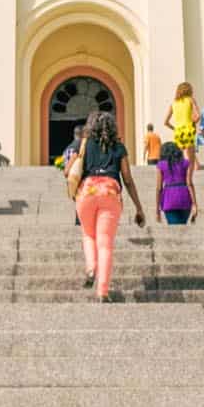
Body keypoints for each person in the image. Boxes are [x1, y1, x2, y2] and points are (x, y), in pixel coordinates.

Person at [72, 109, 145, 299]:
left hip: (87, 192)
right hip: (110, 193)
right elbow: (127, 179)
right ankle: (102, 292)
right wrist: (139, 207)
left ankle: (90, 268)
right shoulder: (119, 147)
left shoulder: (84, 144)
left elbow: (70, 168)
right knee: (105, 244)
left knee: (88, 235)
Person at [155, 140, 197, 224]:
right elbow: (189, 183)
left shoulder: (161, 165)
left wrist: (157, 209)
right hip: (184, 197)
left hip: (169, 198)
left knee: (173, 226)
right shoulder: (186, 163)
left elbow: (159, 188)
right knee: (183, 225)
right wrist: (194, 204)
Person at [164, 81, 198, 154]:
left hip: (178, 132)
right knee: (190, 159)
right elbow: (197, 116)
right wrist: (193, 123)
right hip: (188, 130)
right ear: (189, 90)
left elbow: (165, 122)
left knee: (181, 156)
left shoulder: (173, 103)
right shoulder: (190, 100)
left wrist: (174, 128)